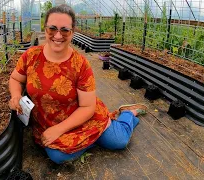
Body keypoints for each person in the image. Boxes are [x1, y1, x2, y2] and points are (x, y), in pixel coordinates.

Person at [8, 4, 147, 164]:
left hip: (84, 118)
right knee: (57, 156)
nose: (58, 35)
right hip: (47, 122)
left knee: (119, 141)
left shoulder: (80, 65)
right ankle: (95, 138)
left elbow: (88, 107)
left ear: (72, 32)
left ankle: (128, 114)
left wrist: (58, 130)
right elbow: (15, 79)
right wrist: (16, 95)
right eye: (52, 28)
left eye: (65, 30)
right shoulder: (31, 56)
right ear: (45, 29)